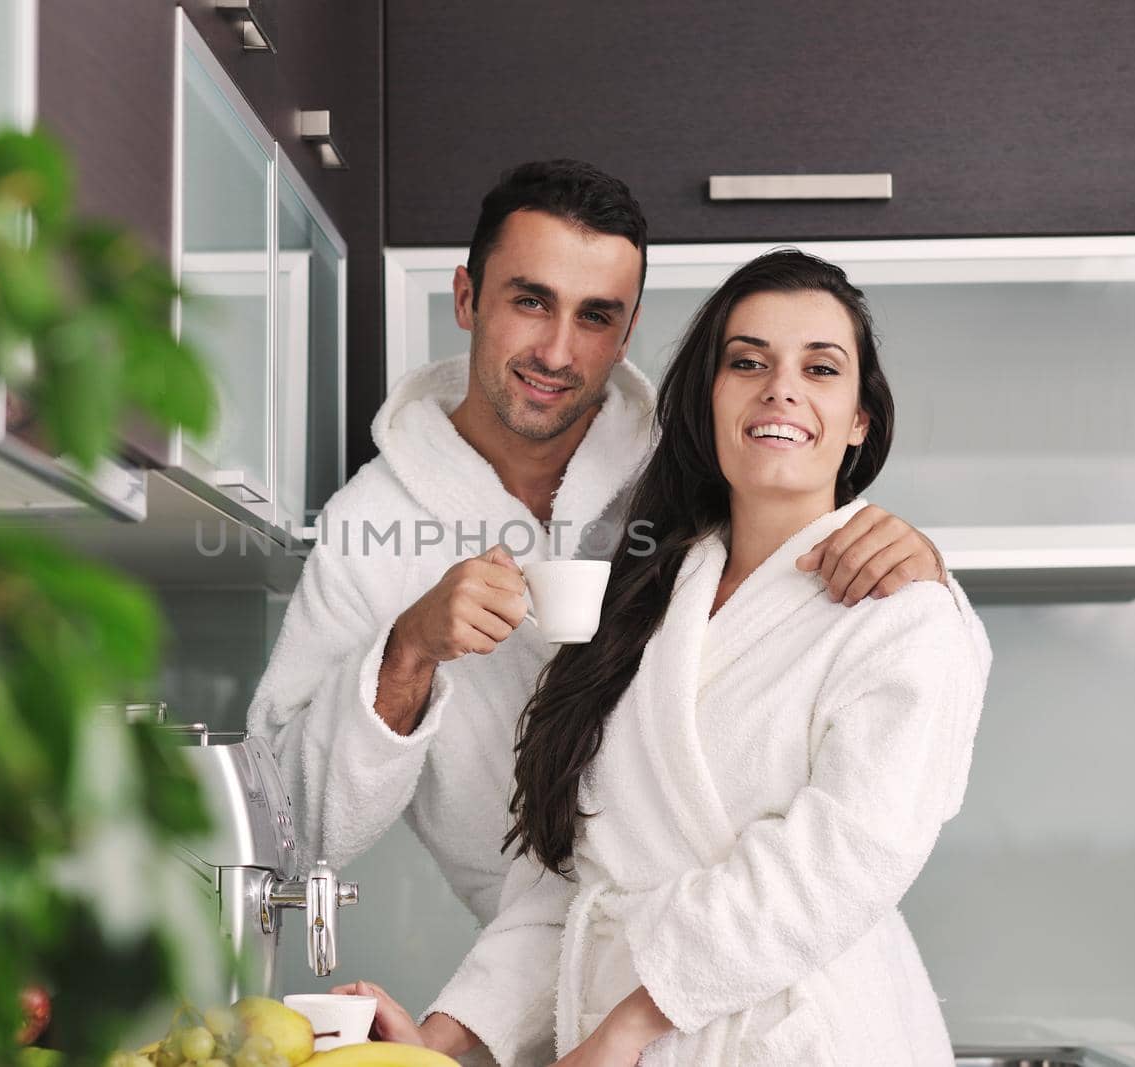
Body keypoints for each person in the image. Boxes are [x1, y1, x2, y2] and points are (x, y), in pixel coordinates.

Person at [246, 159, 970, 961]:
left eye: (596, 316)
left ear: (627, 333)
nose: (557, 352)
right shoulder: (370, 524)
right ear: (465, 297)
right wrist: (408, 652)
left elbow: (840, 613)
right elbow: (289, 825)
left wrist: (922, 561)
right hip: (526, 966)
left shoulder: (690, 465)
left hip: (726, 939)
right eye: (530, 301)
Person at [356, 250, 991, 1066]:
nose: (781, 388)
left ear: (860, 416)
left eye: (821, 368)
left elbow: (844, 860)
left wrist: (626, 1026)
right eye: (747, 361)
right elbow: (582, 883)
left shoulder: (902, 612)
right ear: (708, 399)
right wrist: (439, 1045)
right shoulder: (643, 600)